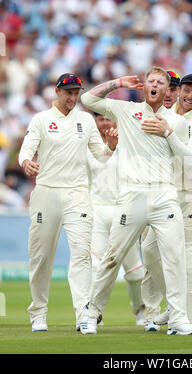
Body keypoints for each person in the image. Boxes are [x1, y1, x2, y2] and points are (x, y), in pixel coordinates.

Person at [80, 66, 192, 335]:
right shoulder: (127, 111)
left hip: (165, 195)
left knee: (174, 259)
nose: (155, 85)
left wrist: (168, 134)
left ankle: (178, 320)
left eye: (161, 83)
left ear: (166, 90)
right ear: (144, 85)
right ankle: (91, 314)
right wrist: (117, 82)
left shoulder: (177, 122)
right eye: (151, 81)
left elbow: (187, 160)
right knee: (112, 257)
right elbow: (88, 100)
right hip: (133, 195)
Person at [18, 73, 118, 332]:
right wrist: (27, 162)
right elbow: (26, 150)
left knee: (82, 254)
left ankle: (83, 315)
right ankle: (38, 313)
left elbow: (102, 156)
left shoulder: (85, 119)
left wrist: (112, 145)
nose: (73, 98)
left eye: (76, 93)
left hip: (77, 193)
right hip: (47, 192)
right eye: (68, 93)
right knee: (41, 257)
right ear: (57, 92)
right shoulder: (41, 119)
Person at [141, 73, 192, 333]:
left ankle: (189, 319)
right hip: (168, 192)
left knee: (187, 258)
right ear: (179, 90)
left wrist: (168, 134)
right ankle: (177, 306)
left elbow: (190, 156)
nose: (189, 96)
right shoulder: (164, 113)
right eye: (186, 90)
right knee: (150, 250)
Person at [87, 113, 145, 326]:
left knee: (135, 271)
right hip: (97, 210)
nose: (105, 123)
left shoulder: (128, 144)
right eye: (100, 119)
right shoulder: (88, 146)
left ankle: (141, 313)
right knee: (95, 265)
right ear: (95, 122)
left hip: (123, 210)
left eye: (108, 119)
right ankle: (94, 313)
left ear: (115, 121)